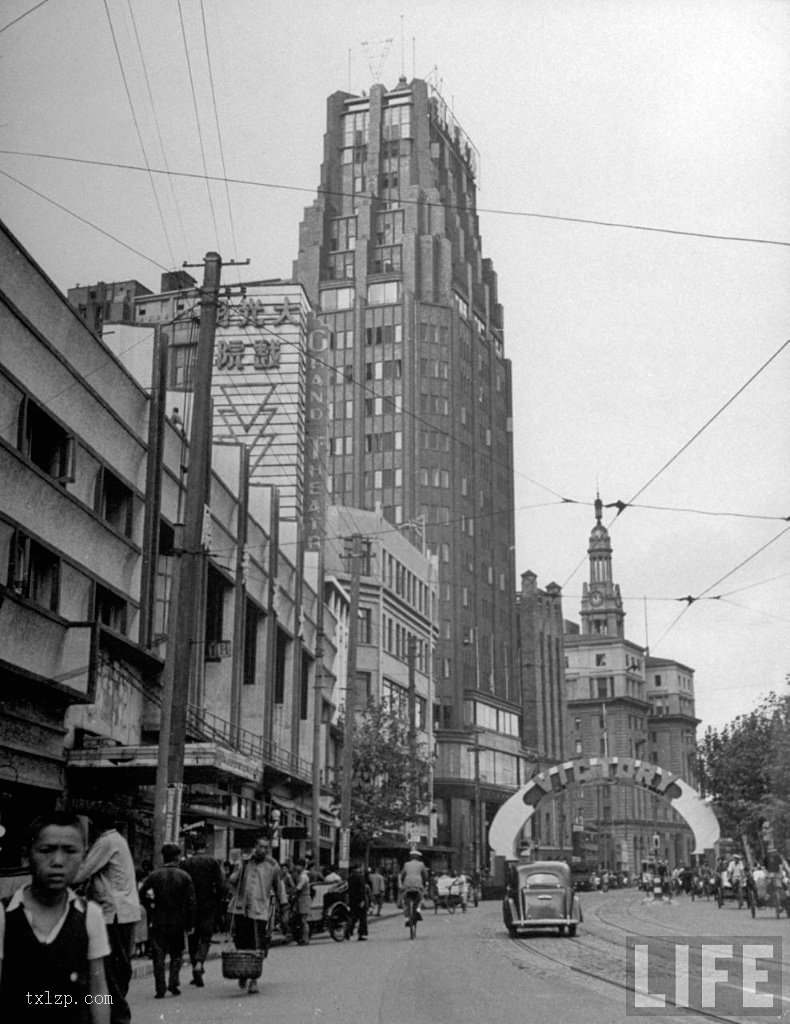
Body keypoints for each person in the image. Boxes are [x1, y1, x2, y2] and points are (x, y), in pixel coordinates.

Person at [0, 811, 111, 1024]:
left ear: (83, 857)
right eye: (46, 850)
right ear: (26, 855)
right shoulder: (4, 916)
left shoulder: (90, 916)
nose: (58, 861)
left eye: (70, 851)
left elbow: (98, 992)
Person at [73, 814, 140, 1024]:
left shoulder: (106, 842)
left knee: (110, 971)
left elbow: (81, 873)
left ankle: (118, 1016)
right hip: (124, 912)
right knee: (119, 968)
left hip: (113, 913)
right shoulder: (118, 840)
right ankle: (117, 1014)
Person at [227, 835, 288, 994]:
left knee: (257, 945)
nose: (263, 850)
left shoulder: (272, 866)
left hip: (259, 910)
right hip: (240, 909)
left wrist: (284, 908)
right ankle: (243, 973)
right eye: (260, 847)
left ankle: (254, 979)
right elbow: (232, 881)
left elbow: (279, 888)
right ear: (255, 847)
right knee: (241, 943)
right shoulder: (243, 862)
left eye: (266, 848)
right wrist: (241, 870)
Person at [139, 843, 196, 999]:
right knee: (177, 954)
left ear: (164, 857)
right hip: (178, 920)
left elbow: (142, 893)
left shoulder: (154, 875)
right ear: (177, 857)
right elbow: (191, 903)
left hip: (158, 919)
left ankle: (160, 988)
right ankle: (173, 983)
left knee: (159, 955)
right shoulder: (185, 876)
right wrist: (190, 923)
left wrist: (151, 907)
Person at [182, 836, 224, 987]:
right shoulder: (212, 862)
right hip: (208, 904)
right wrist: (218, 902)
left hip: (190, 905)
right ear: (205, 846)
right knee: (206, 936)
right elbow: (221, 885)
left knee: (192, 937)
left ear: (193, 847)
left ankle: (196, 968)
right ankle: (200, 961)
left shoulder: (185, 863)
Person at [399, 849, 429, 925]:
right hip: (418, 884)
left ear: (410, 857)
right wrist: (424, 884)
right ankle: (418, 910)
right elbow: (425, 876)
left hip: (407, 884)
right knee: (420, 898)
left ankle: (407, 919)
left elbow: (402, 876)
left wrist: (403, 884)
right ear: (418, 857)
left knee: (405, 902)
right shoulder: (421, 864)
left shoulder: (406, 864)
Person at [345, 863, 370, 941]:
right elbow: (362, 890)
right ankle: (361, 933)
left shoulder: (350, 877)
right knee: (362, 917)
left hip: (352, 899)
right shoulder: (360, 877)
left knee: (353, 916)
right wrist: (362, 900)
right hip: (359, 899)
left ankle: (348, 931)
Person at [291, 859, 312, 945]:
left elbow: (298, 888)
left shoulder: (304, 876)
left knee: (303, 920)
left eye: (298, 865)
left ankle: (305, 939)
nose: (296, 867)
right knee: (300, 920)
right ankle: (302, 938)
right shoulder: (299, 875)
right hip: (300, 899)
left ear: (302, 866)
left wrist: (292, 893)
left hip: (304, 898)